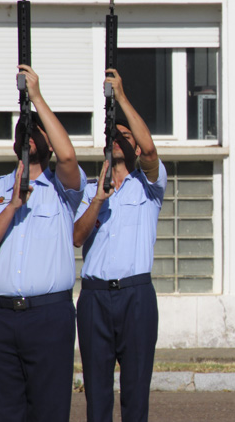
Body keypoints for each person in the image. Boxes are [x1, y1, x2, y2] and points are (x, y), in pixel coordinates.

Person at [0, 64, 86, 422]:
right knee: (3, 414)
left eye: (37, 130)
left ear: (48, 141)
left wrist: (35, 96)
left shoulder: (63, 189)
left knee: (49, 413)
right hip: (1, 317)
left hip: (48, 316)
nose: (29, 135)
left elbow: (68, 156)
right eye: (24, 129)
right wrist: (13, 206)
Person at [73, 69, 167, 422]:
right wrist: (97, 200)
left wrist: (121, 99)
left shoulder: (150, 186)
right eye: (113, 134)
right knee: (97, 394)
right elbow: (76, 237)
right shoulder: (87, 189)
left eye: (125, 135)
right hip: (96, 296)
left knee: (135, 391)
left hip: (136, 296)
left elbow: (151, 149)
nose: (120, 139)